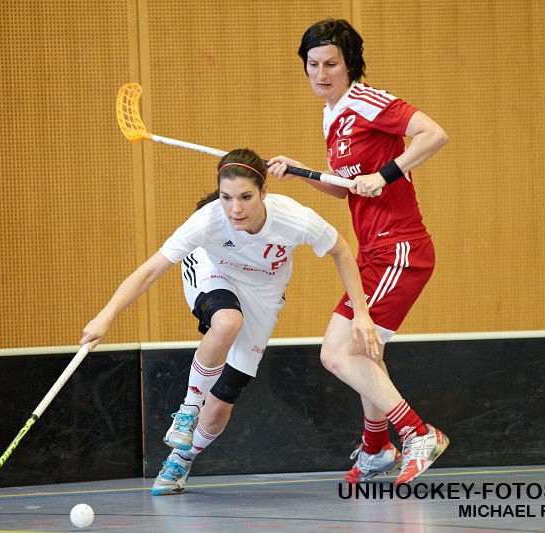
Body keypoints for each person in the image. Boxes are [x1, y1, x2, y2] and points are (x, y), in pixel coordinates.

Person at [80, 148, 379, 495]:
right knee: (226, 323)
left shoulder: (294, 219)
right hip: (214, 272)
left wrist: (361, 312)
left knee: (221, 403)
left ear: (264, 192)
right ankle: (188, 408)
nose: (235, 209)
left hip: (264, 295)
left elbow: (341, 250)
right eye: (226, 197)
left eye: (246, 197)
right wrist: (105, 316)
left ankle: (183, 457)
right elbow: (149, 272)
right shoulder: (208, 221)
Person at [268, 18, 450, 486]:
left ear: (350, 66)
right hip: (374, 251)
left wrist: (387, 174)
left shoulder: (367, 101)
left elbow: (434, 135)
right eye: (313, 64)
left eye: (332, 63)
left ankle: (417, 433)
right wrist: (302, 171)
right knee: (363, 354)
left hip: (399, 248)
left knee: (335, 355)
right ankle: (376, 448)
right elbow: (346, 190)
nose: (322, 72)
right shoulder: (331, 115)